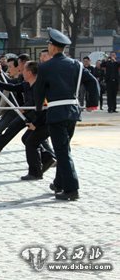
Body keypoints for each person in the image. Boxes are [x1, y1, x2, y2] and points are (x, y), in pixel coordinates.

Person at [34, 28, 99, 201]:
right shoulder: (77, 65)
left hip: (56, 114)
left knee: (62, 151)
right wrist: (93, 103)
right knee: (64, 148)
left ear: (54, 47)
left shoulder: (46, 67)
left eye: (49, 44)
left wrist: (38, 108)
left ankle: (71, 189)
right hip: (72, 113)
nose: (48, 46)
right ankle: (59, 183)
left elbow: (39, 91)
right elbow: (92, 82)